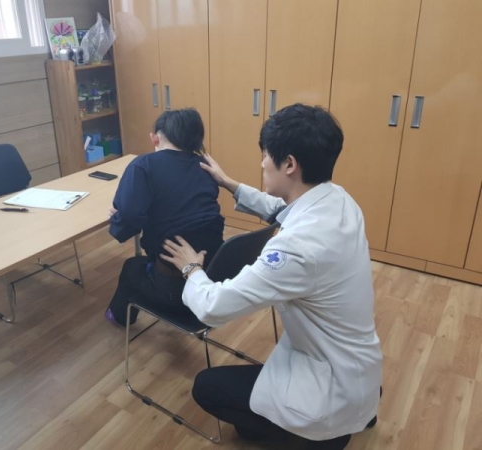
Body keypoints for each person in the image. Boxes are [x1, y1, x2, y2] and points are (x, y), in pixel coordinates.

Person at [161, 104, 383, 449]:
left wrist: (192, 269)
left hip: (329, 390)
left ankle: (314, 436)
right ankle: (341, 416)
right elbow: (284, 209)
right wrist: (229, 184)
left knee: (207, 387)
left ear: (289, 164)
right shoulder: (338, 199)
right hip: (357, 366)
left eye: (265, 155)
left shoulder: (297, 248)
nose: (263, 163)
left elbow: (213, 307)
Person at [106, 108, 224, 326]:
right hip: (214, 279)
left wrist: (119, 219)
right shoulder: (206, 167)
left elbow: (128, 220)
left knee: (131, 267)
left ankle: (119, 318)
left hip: (175, 292)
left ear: (155, 138)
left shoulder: (143, 165)